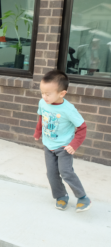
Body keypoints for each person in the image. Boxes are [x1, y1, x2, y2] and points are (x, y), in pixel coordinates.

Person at [34, 70, 92, 212]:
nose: (44, 96)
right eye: (42, 92)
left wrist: (74, 145)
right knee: (51, 173)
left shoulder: (68, 109)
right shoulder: (43, 103)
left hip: (64, 147)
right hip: (49, 145)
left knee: (65, 172)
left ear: (62, 93)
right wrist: (38, 132)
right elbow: (42, 118)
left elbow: (82, 127)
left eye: (48, 94)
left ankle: (83, 197)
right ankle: (61, 196)